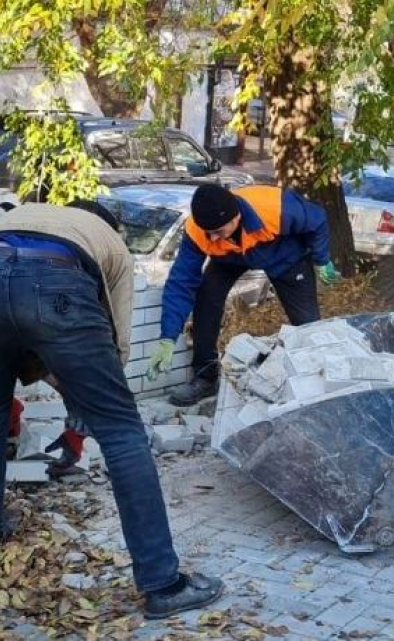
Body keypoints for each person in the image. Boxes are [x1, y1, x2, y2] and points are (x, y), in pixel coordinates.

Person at [0, 201, 222, 619]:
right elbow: (114, 350)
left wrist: (70, 401)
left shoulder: (24, 213)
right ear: (109, 228)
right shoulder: (112, 245)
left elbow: (19, 326)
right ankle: (164, 584)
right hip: (54, 281)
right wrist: (90, 412)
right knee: (123, 433)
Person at [146, 184, 340, 406]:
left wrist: (321, 259)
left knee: (307, 322)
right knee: (205, 303)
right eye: (209, 232)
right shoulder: (199, 231)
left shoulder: (275, 207)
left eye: (218, 230)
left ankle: (315, 381)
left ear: (236, 217)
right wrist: (168, 337)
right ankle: (205, 377)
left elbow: (317, 220)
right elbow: (181, 281)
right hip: (227, 259)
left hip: (283, 253)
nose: (213, 237)